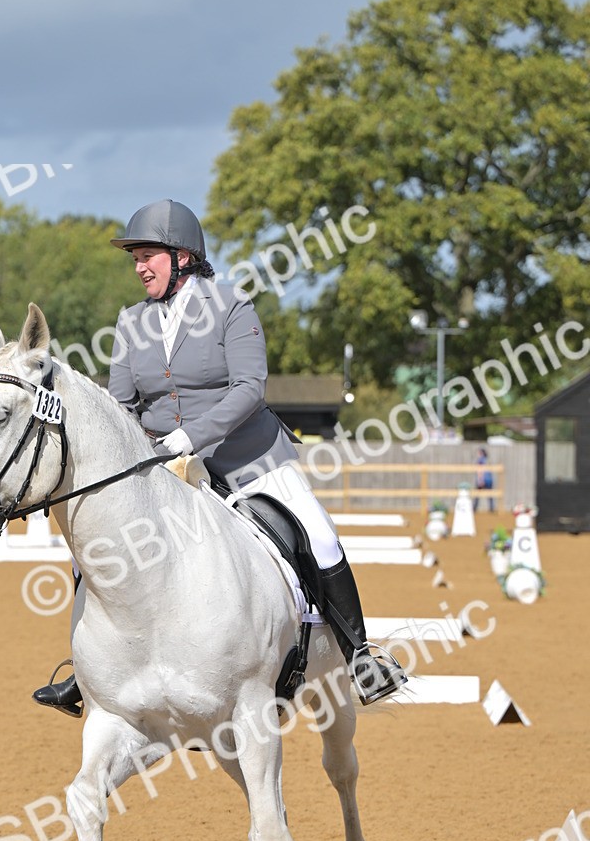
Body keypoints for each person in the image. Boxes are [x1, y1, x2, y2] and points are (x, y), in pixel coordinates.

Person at [33, 199, 407, 715]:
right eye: (136, 258)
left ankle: (361, 656)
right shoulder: (131, 320)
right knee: (96, 546)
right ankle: (89, 671)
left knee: (318, 533)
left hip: (249, 456)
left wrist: (192, 435)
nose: (139, 267)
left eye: (149, 256)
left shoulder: (232, 305)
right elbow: (121, 405)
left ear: (183, 256)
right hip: (163, 466)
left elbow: (250, 386)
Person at [474, 447, 495, 512]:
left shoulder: (480, 460)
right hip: (489, 480)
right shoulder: (487, 460)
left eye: (479, 452)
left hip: (483, 479)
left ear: (481, 453)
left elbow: (480, 471)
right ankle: (491, 508)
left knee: (477, 495)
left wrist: (481, 480)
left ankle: (474, 508)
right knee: (489, 495)